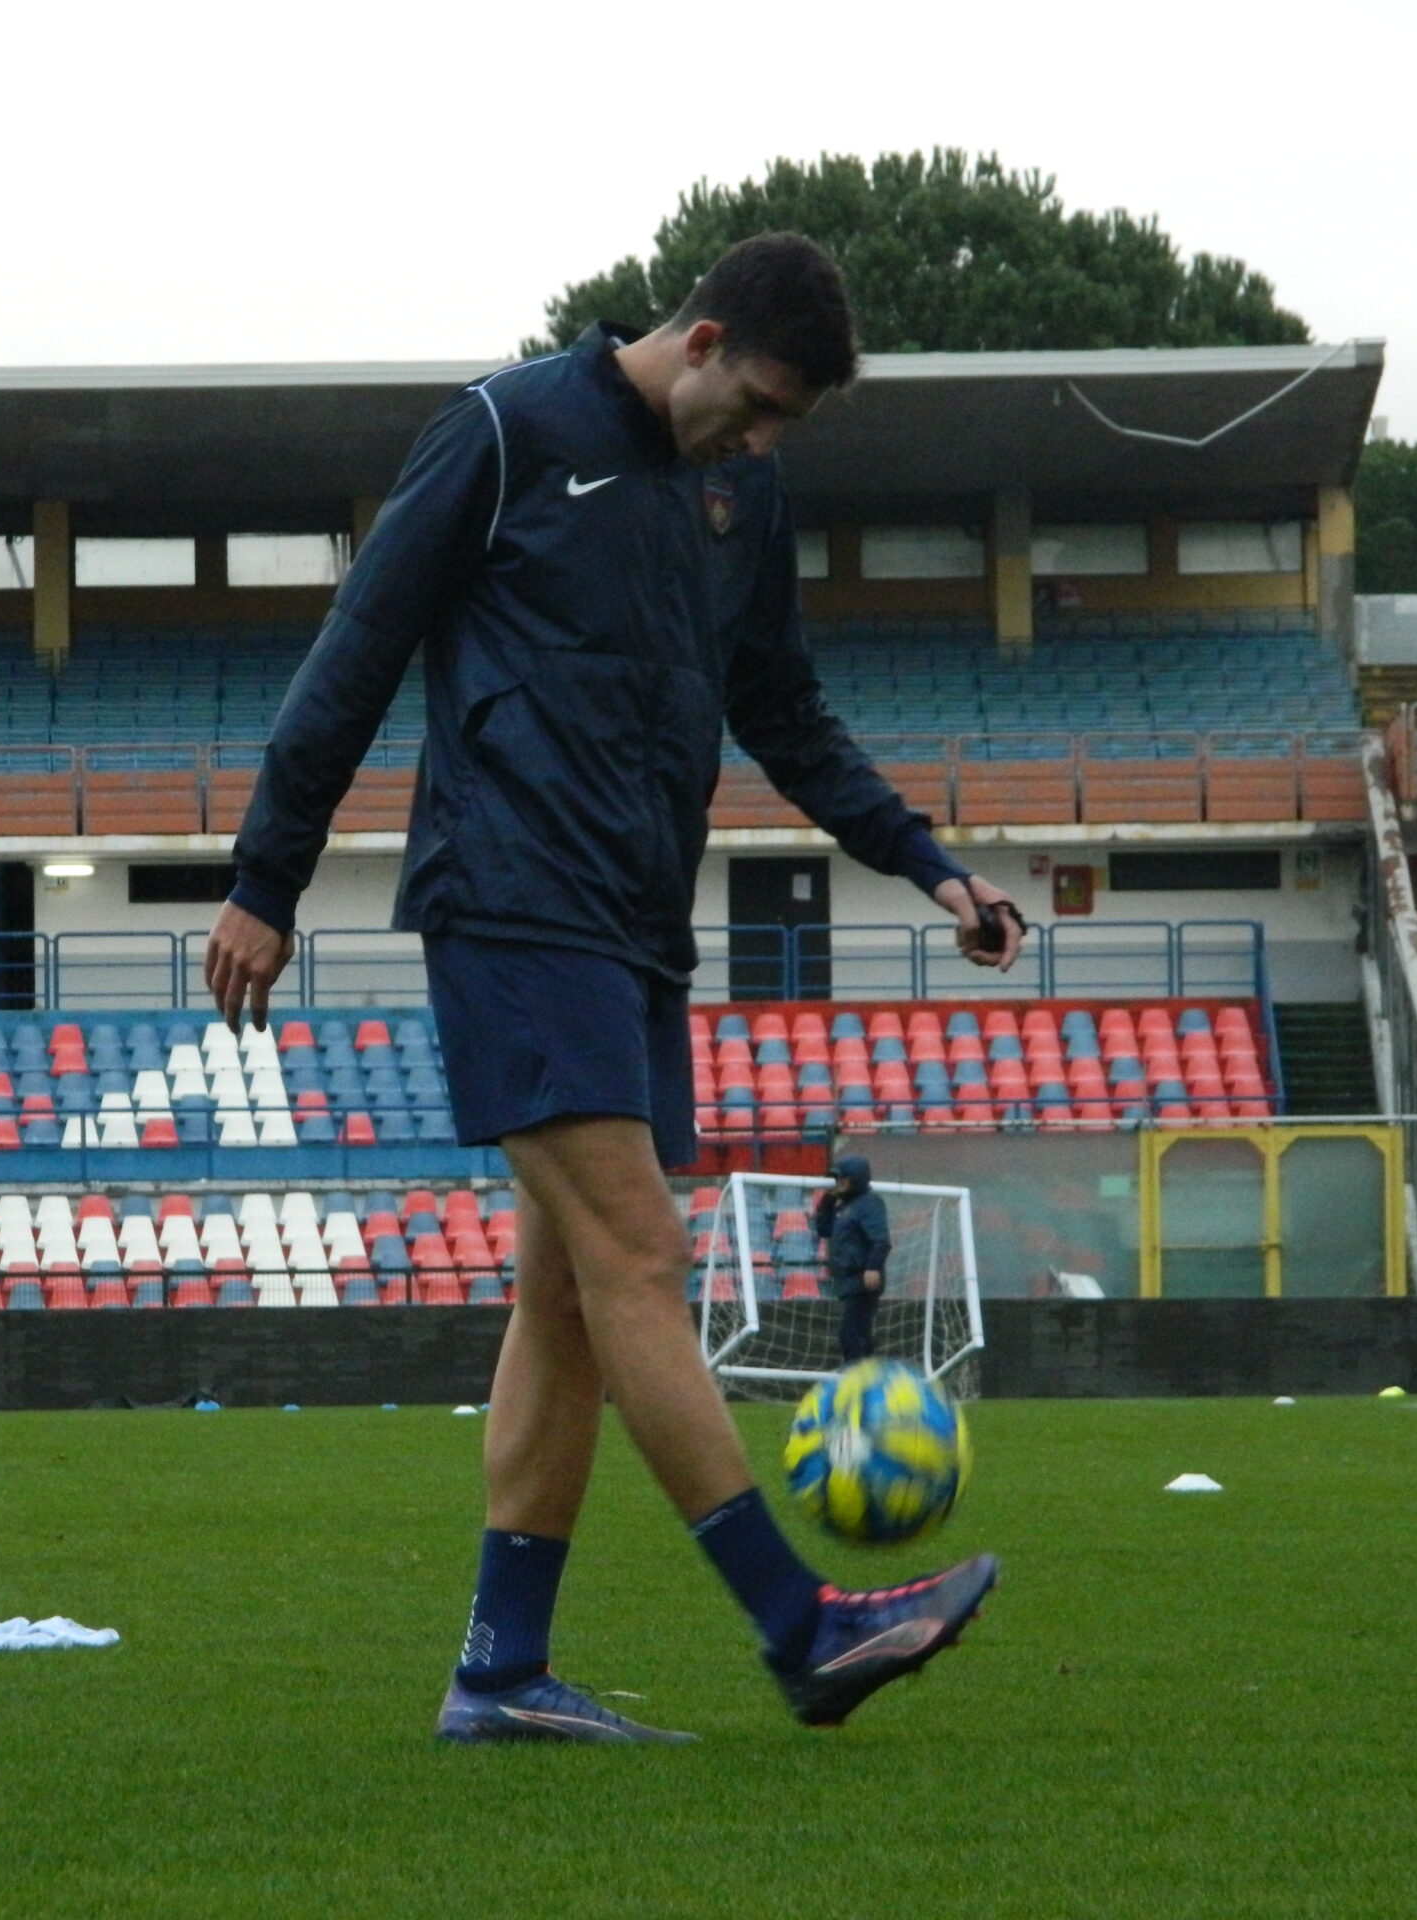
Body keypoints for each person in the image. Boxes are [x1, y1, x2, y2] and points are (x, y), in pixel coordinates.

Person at [204, 232, 1025, 1745]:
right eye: (760, 404)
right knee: (643, 1256)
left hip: (638, 928)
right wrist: (269, 876)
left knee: (572, 1304)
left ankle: (501, 1675)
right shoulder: (508, 429)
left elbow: (781, 706)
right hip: (509, 904)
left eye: (788, 425)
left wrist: (927, 864)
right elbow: (360, 647)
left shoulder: (740, 491)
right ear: (699, 338)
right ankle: (802, 1628)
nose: (765, 440)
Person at [813, 1156, 890, 1366]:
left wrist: (872, 1267)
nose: (838, 1183)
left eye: (843, 1179)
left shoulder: (869, 1203)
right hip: (847, 1280)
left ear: (856, 1179)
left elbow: (881, 1240)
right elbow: (824, 1229)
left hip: (862, 1279)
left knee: (852, 1334)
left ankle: (859, 1381)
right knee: (855, 1334)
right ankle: (863, 1379)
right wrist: (827, 1202)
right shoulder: (843, 1207)